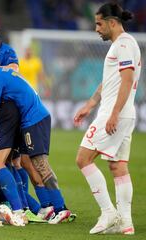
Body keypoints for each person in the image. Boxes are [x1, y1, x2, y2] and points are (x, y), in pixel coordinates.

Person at [0, 62, 75, 224]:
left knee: (40, 164)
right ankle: (47, 207)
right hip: (31, 118)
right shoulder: (0, 72)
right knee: (25, 162)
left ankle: (61, 208)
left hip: (33, 118)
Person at [74, 3, 139, 235]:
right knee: (118, 166)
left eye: (99, 23)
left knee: (83, 158)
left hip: (115, 113)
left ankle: (108, 212)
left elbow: (127, 79)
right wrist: (91, 103)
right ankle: (126, 223)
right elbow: (112, 79)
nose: (96, 28)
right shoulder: (122, 45)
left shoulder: (123, 44)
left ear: (112, 22)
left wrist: (113, 113)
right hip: (124, 113)